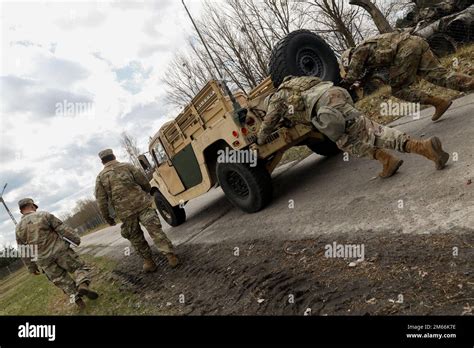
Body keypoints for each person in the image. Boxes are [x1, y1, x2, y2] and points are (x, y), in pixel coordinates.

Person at [257, 75, 449, 178]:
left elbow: (268, 123)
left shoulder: (275, 99)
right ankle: (386, 160)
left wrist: (259, 141)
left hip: (327, 108)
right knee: (351, 139)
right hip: (336, 93)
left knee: (369, 133)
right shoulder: (295, 83)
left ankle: (422, 148)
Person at [340, 31, 474, 121]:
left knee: (399, 89)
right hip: (415, 42)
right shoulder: (367, 49)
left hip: (405, 49)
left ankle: (439, 103)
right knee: (437, 75)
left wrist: (342, 86)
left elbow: (352, 74)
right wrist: (360, 82)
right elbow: (367, 73)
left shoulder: (358, 52)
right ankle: (469, 84)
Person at [95, 149, 179, 272]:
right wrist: (146, 191)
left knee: (136, 238)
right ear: (114, 155)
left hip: (125, 213)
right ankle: (171, 256)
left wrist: (108, 219)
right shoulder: (128, 166)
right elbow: (144, 182)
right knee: (155, 230)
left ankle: (149, 263)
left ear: (102, 162)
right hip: (143, 205)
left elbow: (101, 202)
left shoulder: (100, 178)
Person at [15, 198, 98, 309]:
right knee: (79, 267)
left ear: (21, 211)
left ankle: (80, 303)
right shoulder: (44, 215)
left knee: (62, 281)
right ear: (32, 206)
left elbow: (23, 250)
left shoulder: (18, 228)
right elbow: (62, 228)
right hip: (60, 251)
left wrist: (31, 267)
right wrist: (75, 239)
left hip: (43, 260)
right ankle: (82, 283)